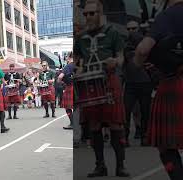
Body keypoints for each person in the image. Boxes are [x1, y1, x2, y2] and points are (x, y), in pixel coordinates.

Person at [75, 1, 129, 177]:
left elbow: (121, 57)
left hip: (109, 80)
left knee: (115, 124)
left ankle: (120, 166)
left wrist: (115, 62)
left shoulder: (112, 33)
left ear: (100, 13)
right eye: (86, 14)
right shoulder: (80, 38)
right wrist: (78, 70)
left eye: (92, 13)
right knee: (94, 125)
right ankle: (100, 165)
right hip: (90, 84)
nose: (88, 17)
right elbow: (79, 62)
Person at [134, 0, 183, 179]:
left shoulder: (168, 15)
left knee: (166, 145)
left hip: (175, 84)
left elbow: (142, 50)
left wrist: (138, 62)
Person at [123, 20, 153, 147]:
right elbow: (122, 64)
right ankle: (124, 137)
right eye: (129, 29)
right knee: (126, 110)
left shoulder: (147, 43)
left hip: (145, 82)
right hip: (131, 83)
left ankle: (145, 135)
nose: (131, 31)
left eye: (133, 28)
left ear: (138, 28)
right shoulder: (125, 45)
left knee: (145, 111)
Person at [58, 52, 75, 130]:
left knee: (67, 107)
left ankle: (72, 123)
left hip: (70, 87)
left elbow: (60, 77)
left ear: (69, 57)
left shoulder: (68, 66)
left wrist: (60, 81)